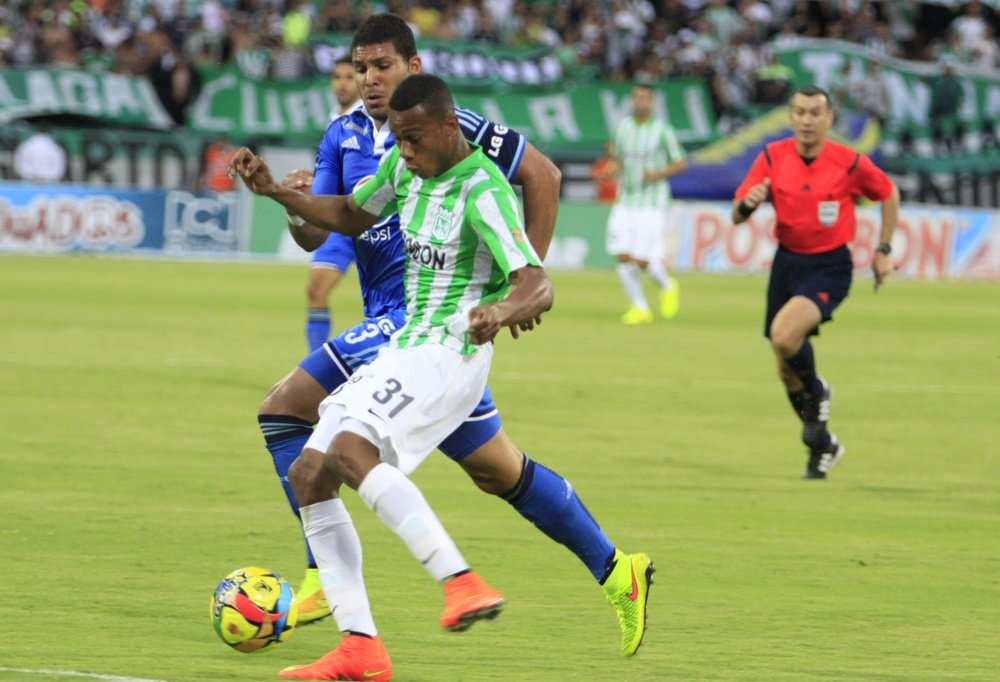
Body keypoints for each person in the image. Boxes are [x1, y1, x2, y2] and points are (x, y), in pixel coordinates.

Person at [252, 13, 653, 678]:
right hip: (407, 332)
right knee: (498, 471)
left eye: (381, 66)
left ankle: (367, 582)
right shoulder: (355, 140)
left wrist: (509, 293)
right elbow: (332, 224)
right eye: (360, 67)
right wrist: (279, 195)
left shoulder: (464, 140)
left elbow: (543, 185)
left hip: (424, 330)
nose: (368, 79)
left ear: (414, 70)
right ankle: (617, 570)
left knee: (288, 413)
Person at [235, 73, 537, 680]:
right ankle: (360, 648)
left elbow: (536, 281)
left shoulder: (483, 191)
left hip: (450, 351)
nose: (405, 152)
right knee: (308, 474)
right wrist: (276, 194)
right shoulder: (406, 171)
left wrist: (501, 309)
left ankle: (461, 581)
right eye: (398, 140)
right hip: (407, 345)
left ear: (449, 128)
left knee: (349, 449)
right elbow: (348, 213)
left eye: (415, 139)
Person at [732, 85, 899, 480]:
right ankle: (821, 444)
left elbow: (888, 193)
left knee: (785, 336)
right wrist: (748, 204)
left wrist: (884, 249)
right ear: (790, 117)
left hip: (830, 265)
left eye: (815, 113)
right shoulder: (773, 156)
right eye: (800, 113)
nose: (807, 120)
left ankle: (819, 391)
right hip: (787, 263)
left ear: (829, 119)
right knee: (785, 370)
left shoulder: (848, 161)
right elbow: (737, 214)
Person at [604, 83, 687, 324]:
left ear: (652, 103)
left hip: (652, 203)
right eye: (637, 98)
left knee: (641, 258)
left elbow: (680, 162)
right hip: (625, 200)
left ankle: (668, 284)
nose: (640, 102)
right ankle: (640, 307)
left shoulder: (662, 131)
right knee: (621, 254)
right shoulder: (623, 128)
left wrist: (658, 174)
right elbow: (618, 160)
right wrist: (609, 171)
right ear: (632, 100)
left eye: (645, 98)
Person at [303, 55, 363, 351]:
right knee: (316, 290)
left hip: (369, 218)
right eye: (337, 77)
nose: (342, 83)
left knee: (386, 304)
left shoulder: (370, 119)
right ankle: (316, 371)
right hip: (337, 220)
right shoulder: (333, 119)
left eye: (349, 77)